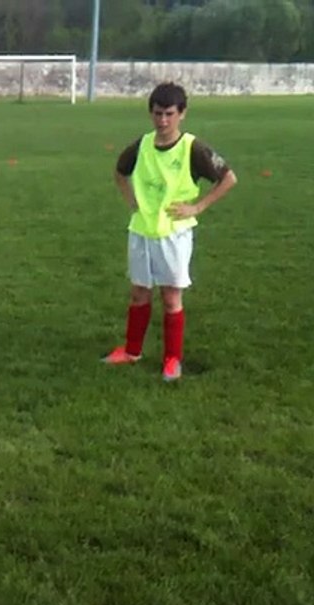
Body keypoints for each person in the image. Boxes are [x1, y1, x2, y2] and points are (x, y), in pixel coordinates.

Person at [102, 82, 237, 381]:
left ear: (182, 114)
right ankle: (131, 351)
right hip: (141, 230)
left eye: (169, 114)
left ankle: (172, 359)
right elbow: (119, 171)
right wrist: (131, 199)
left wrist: (198, 207)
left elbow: (228, 178)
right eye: (157, 113)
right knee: (139, 292)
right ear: (150, 113)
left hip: (173, 234)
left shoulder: (194, 148)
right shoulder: (142, 144)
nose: (163, 121)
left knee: (171, 297)